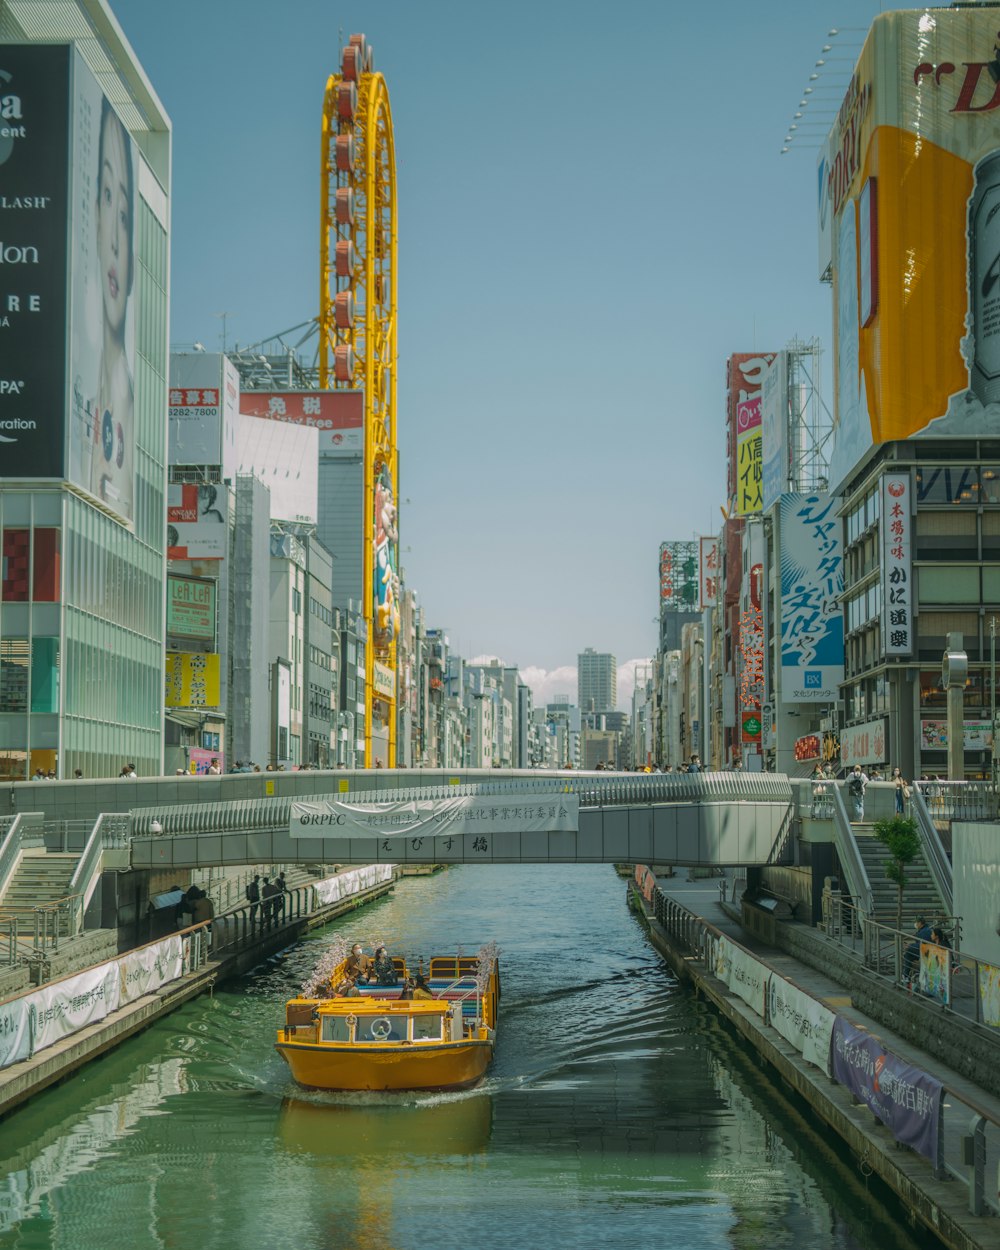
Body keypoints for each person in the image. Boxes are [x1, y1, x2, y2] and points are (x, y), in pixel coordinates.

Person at [90, 97, 135, 519]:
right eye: (107, 195)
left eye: (126, 215)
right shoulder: (80, 392)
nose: (117, 244)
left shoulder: (129, 405)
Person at [903, 916, 933, 983]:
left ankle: (905, 976)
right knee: (908, 954)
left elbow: (924, 945)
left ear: (920, 923)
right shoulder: (924, 930)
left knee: (908, 953)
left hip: (927, 952)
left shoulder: (925, 931)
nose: (915, 924)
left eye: (916, 922)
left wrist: (910, 946)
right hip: (925, 951)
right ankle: (905, 975)